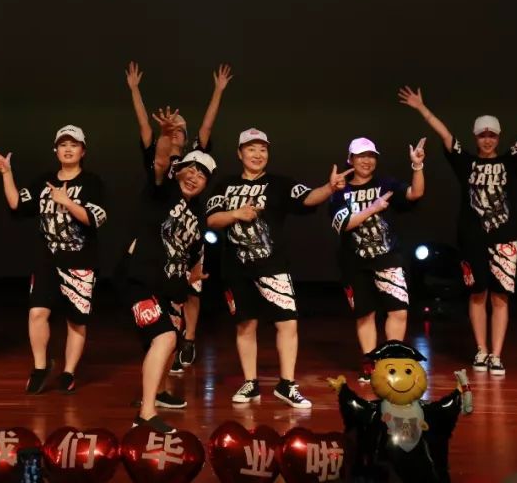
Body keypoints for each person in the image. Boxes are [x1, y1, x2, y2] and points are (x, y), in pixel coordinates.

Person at [398, 79, 517, 376]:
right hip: (472, 238)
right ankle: (481, 349)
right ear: (476, 137)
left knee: (500, 296)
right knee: (477, 294)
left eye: (492, 135)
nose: (488, 139)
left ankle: (496, 355)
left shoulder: (510, 162)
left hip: (505, 238)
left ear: (499, 137)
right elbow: (445, 135)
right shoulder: (466, 163)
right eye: (483, 135)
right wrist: (421, 108)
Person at [206, 128, 348, 408]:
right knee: (246, 324)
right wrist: (236, 214)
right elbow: (212, 219)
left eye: (263, 149)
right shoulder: (225, 184)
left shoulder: (279, 183)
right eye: (251, 149)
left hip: (273, 266)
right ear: (239, 153)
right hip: (236, 267)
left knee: (287, 322)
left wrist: (329, 188)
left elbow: (307, 198)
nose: (258, 154)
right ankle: (250, 383)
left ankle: (287, 384)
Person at [125, 61, 233, 373]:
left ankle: (189, 338)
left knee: (192, 286)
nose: (175, 133)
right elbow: (145, 128)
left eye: (180, 130)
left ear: (185, 139)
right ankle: (160, 338)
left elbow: (206, 129)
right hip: (160, 229)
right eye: (171, 129)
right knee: (157, 282)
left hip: (187, 231)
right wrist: (134, 90)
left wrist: (218, 90)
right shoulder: (160, 159)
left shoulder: (193, 162)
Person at [0, 125, 108, 395]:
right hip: (47, 260)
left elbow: (94, 219)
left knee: (76, 320)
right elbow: (17, 205)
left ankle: (69, 372)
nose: (68, 149)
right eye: (63, 144)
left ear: (83, 151)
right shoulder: (45, 181)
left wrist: (67, 202)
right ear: (56, 150)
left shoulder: (92, 183)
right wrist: (7, 174)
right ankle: (40, 367)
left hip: (80, 260)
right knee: (37, 313)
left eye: (74, 145)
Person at [122, 110, 213, 434]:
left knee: (168, 342)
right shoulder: (163, 191)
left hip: (170, 289)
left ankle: (156, 395)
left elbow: (190, 253)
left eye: (201, 175)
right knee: (164, 338)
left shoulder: (197, 215)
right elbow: (160, 161)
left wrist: (190, 277)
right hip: (142, 282)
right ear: (179, 170)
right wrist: (164, 135)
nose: (194, 176)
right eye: (190, 169)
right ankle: (146, 412)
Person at [329, 137, 426, 383]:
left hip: (388, 257)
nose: (367, 161)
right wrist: (373, 208)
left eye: (371, 156)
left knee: (398, 310)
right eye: (361, 156)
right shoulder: (340, 191)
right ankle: (369, 363)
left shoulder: (386, 184)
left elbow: (415, 193)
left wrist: (417, 166)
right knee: (365, 313)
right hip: (354, 260)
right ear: (350, 160)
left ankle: (391, 361)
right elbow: (344, 224)